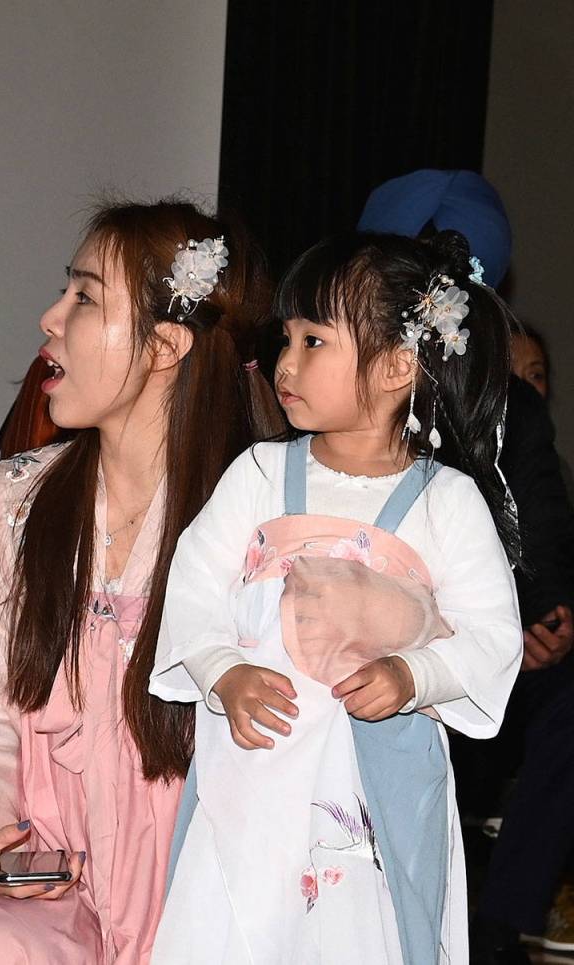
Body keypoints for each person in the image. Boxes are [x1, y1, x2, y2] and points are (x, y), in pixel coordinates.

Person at [0, 200, 276, 963]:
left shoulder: (252, 524)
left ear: (165, 344)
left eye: (83, 297)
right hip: (49, 888)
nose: (49, 318)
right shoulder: (19, 499)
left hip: (197, 889)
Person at [151, 230, 523, 963]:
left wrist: (411, 674)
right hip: (254, 778)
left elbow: (490, 636)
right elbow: (192, 585)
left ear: (396, 366)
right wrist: (223, 669)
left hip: (363, 794)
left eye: (315, 341)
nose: (286, 361)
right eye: (286, 337)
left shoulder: (443, 501)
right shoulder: (259, 473)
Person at [360, 167, 574, 962]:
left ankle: (495, 923)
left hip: (492, 646)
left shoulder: (514, 406)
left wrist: (543, 613)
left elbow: (543, 523)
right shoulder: (321, 384)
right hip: (355, 646)